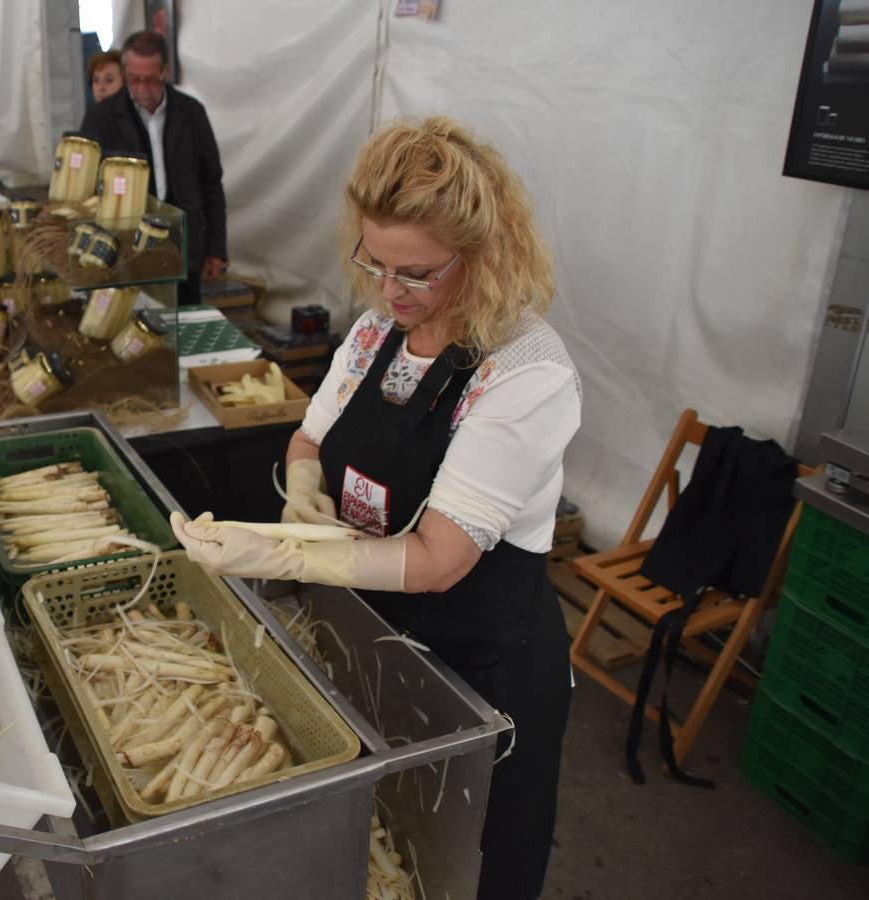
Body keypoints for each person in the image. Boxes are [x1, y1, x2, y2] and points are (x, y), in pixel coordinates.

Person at [170, 117, 580, 900]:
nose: (389, 292)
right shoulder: (375, 335)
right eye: (375, 261)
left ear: (484, 256)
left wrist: (286, 554)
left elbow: (435, 560)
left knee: (467, 864)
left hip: (479, 670)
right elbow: (306, 437)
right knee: (378, 850)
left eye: (418, 272)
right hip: (373, 640)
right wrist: (303, 492)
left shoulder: (525, 374)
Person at [81, 31, 226, 306]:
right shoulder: (101, 118)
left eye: (149, 79)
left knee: (182, 328)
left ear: (165, 72)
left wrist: (215, 249)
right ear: (125, 72)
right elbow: (87, 190)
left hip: (183, 247)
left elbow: (211, 183)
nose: (141, 88)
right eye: (134, 79)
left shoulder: (192, 113)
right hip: (124, 251)